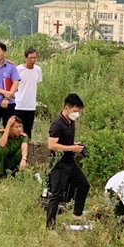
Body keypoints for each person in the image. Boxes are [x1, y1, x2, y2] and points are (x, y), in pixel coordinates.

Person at [45, 93, 91, 230]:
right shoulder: (57, 124)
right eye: (75, 111)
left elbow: (65, 141)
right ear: (67, 108)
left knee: (84, 185)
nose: (77, 114)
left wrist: (77, 145)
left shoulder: (71, 122)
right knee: (56, 196)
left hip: (70, 162)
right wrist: (72, 148)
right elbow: (51, 145)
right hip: (59, 165)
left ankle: (77, 214)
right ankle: (50, 227)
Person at [15, 47, 42, 137]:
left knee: (28, 131)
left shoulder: (38, 70)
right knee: (17, 130)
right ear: (25, 58)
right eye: (30, 58)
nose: (32, 60)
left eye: (34, 58)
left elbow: (37, 82)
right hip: (19, 105)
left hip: (31, 106)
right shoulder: (18, 69)